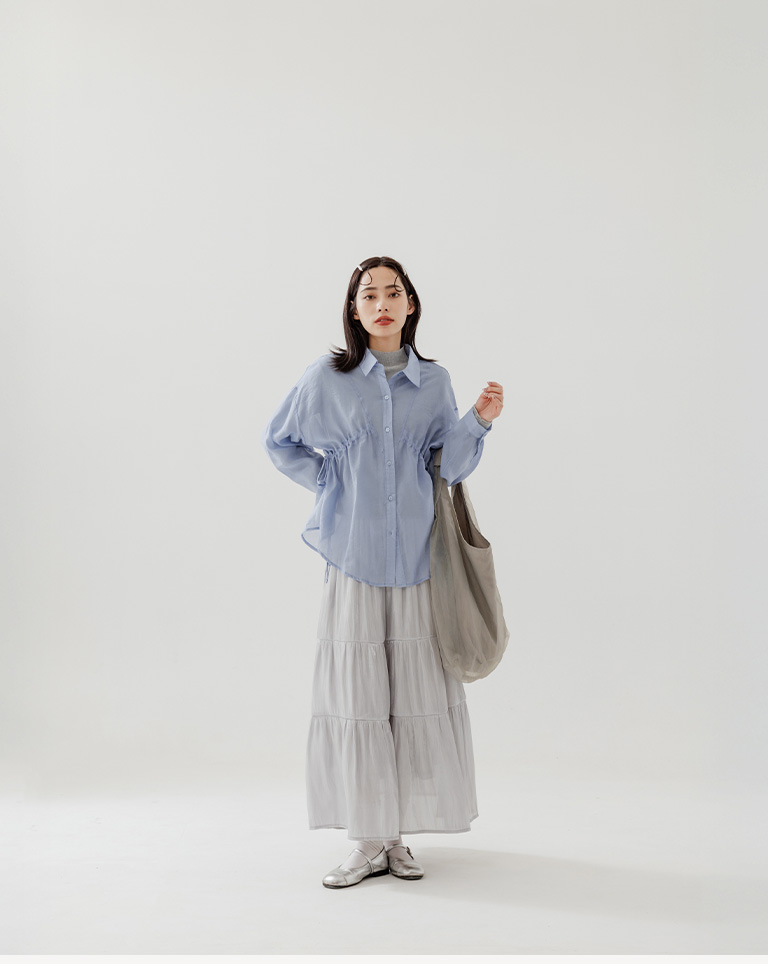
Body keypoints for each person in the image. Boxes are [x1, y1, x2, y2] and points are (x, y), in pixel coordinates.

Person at [261, 255, 504, 888]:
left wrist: (478, 420)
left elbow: (447, 467)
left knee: (411, 696)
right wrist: (332, 485)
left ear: (411, 304)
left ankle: (394, 840)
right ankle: (367, 840)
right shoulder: (327, 379)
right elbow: (280, 441)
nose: (382, 303)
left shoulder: (434, 381)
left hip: (419, 559)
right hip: (355, 558)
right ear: (354, 309)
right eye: (368, 294)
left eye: (393, 292)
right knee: (360, 698)